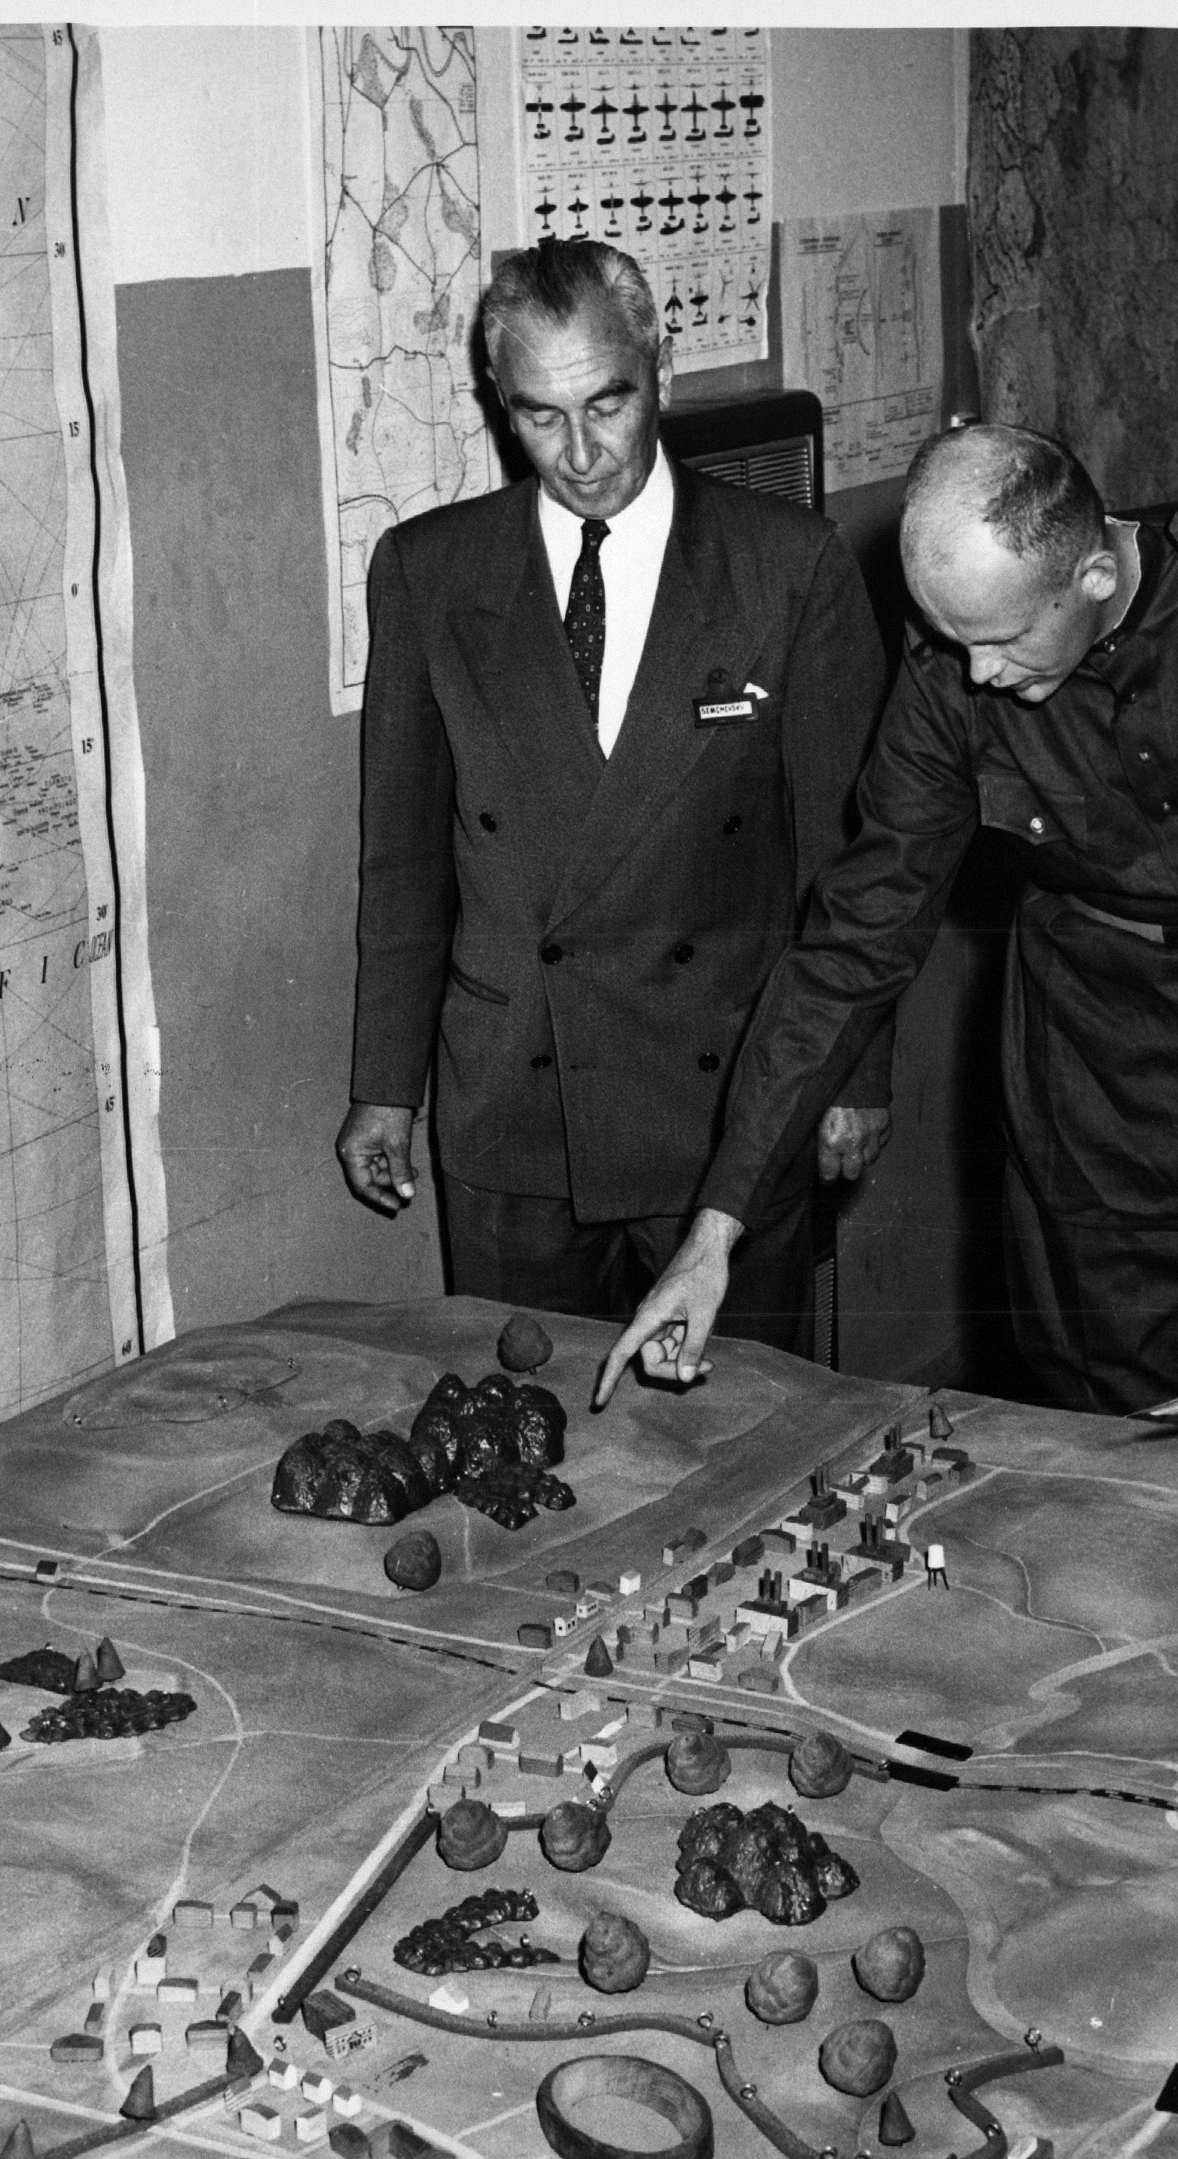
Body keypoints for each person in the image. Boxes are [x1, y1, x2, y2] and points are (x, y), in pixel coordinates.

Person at [595, 423, 1178, 1413]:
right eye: (954, 642)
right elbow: (856, 938)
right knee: (1110, 1417)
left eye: (1001, 641)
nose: (978, 675)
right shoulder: (948, 674)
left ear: (1093, 576)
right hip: (1093, 1078)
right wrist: (713, 1233)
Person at [338, 239, 893, 1351]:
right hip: (514, 1105)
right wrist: (385, 1082)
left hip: (727, 1104)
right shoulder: (427, 571)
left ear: (660, 373)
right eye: (540, 416)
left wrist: (853, 1075)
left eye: (608, 403)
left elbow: (849, 862)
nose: (582, 453)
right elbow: (403, 859)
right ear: (499, 403)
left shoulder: (788, 566)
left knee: (737, 1424)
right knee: (525, 1424)